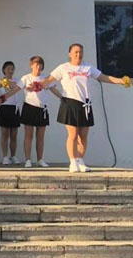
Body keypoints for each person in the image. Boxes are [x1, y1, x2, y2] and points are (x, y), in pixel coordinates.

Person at [40, 44, 130, 172]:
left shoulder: (88, 67)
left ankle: (80, 161)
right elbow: (49, 79)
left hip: (85, 104)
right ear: (70, 54)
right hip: (70, 102)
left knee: (83, 136)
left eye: (81, 52)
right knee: (73, 134)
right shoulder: (63, 67)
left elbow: (103, 77)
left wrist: (120, 81)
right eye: (76, 52)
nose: (79, 54)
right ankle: (72, 162)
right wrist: (38, 85)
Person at [0, 56, 62, 167]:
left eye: (40, 64)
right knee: (28, 135)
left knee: (40, 136)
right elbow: (15, 90)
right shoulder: (26, 78)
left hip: (43, 109)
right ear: (31, 65)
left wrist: (63, 98)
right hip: (29, 107)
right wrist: (3, 98)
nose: (38, 66)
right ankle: (28, 160)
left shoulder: (46, 78)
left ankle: (40, 159)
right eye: (36, 64)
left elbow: (53, 89)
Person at [0, 61, 22, 165]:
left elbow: (18, 86)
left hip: (14, 108)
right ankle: (5, 157)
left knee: (14, 135)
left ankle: (13, 156)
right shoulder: (0, 81)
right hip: (4, 108)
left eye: (12, 69)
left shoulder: (17, 81)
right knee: (4, 134)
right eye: (8, 69)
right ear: (4, 70)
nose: (10, 71)